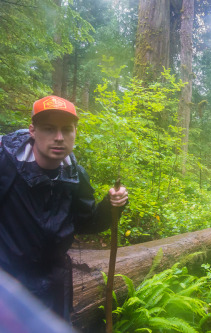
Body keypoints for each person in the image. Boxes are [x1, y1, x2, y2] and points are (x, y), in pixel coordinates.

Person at [0, 95, 128, 322]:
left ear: (75, 133)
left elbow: (87, 223)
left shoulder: (75, 175)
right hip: (9, 282)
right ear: (32, 130)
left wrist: (111, 206)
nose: (59, 138)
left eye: (67, 129)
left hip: (55, 285)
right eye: (49, 129)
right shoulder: (6, 165)